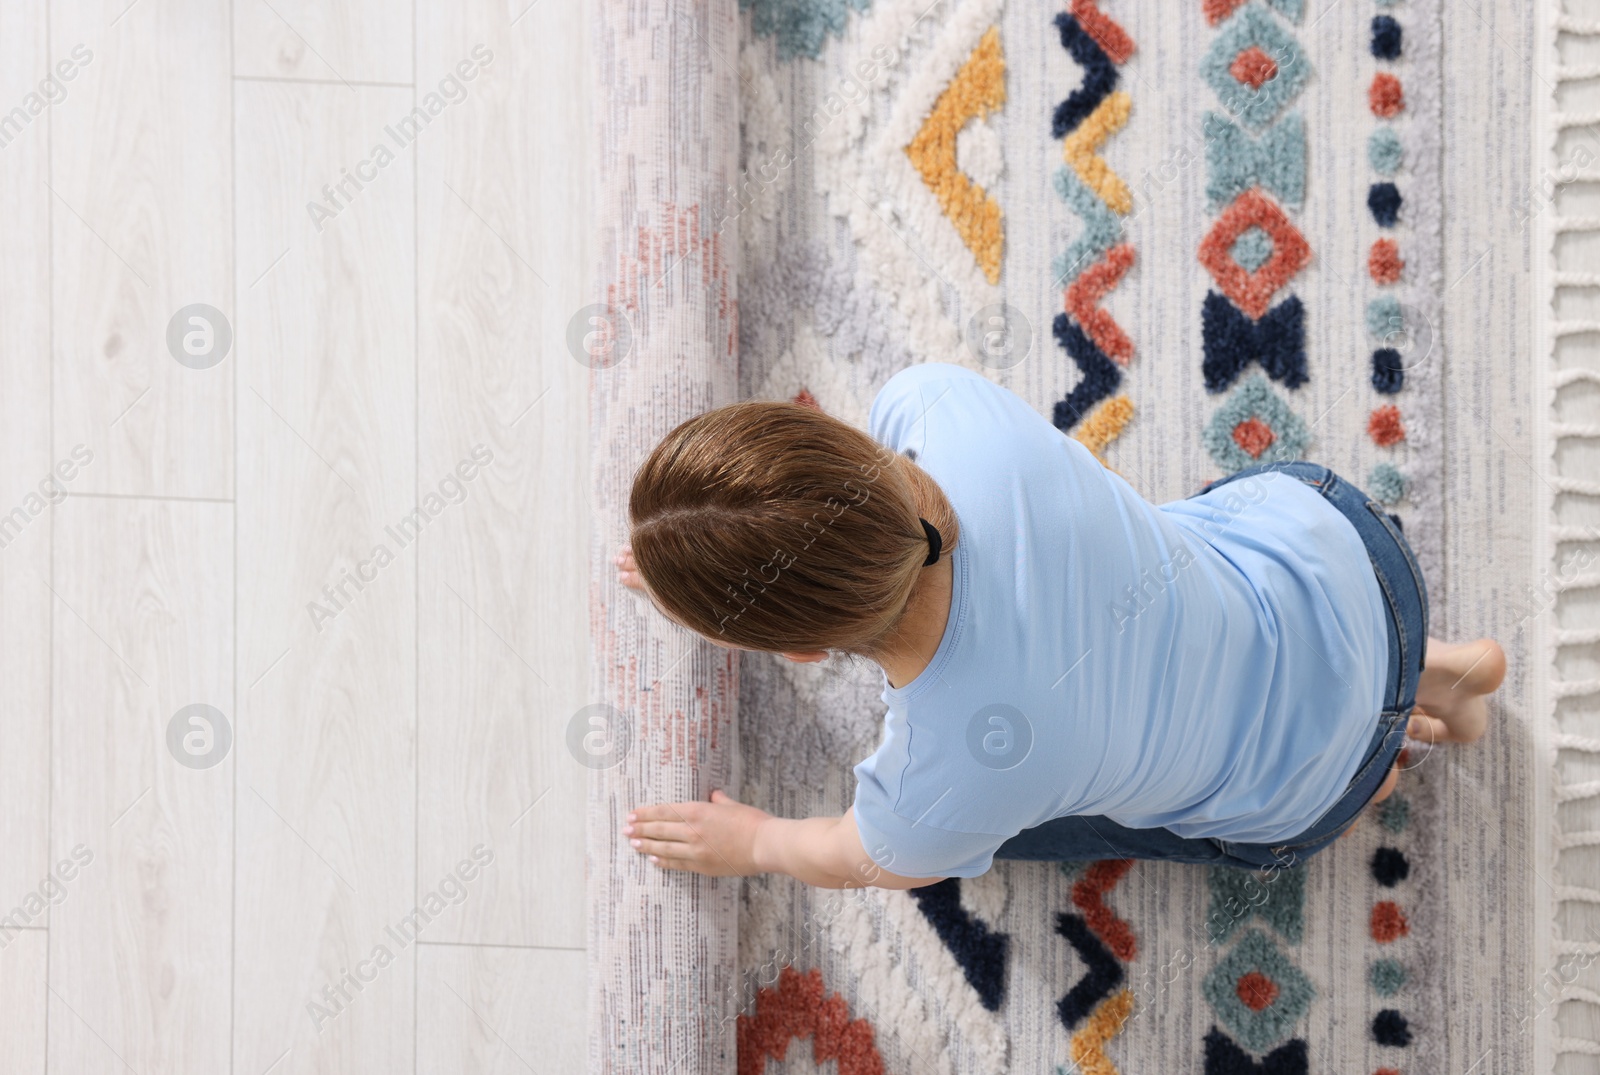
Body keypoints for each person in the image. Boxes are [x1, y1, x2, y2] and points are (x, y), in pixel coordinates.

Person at [613, 362, 1504, 889]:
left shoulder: (944, 778)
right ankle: (1434, 669)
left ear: (803, 651)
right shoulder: (937, 407)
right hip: (1352, 560)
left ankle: (1369, 775)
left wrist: (760, 840)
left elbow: (883, 858)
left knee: (1014, 837)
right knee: (1184, 551)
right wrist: (693, 551)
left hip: (1303, 792)